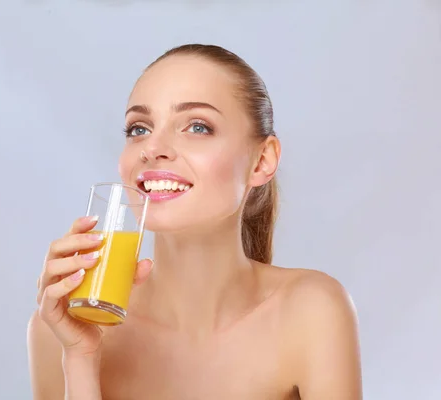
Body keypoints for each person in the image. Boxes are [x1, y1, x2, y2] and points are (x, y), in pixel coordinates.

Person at [28, 44, 362, 400]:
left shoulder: (312, 312)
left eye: (198, 127)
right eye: (139, 128)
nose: (152, 147)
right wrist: (80, 359)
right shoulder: (60, 331)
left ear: (262, 160)